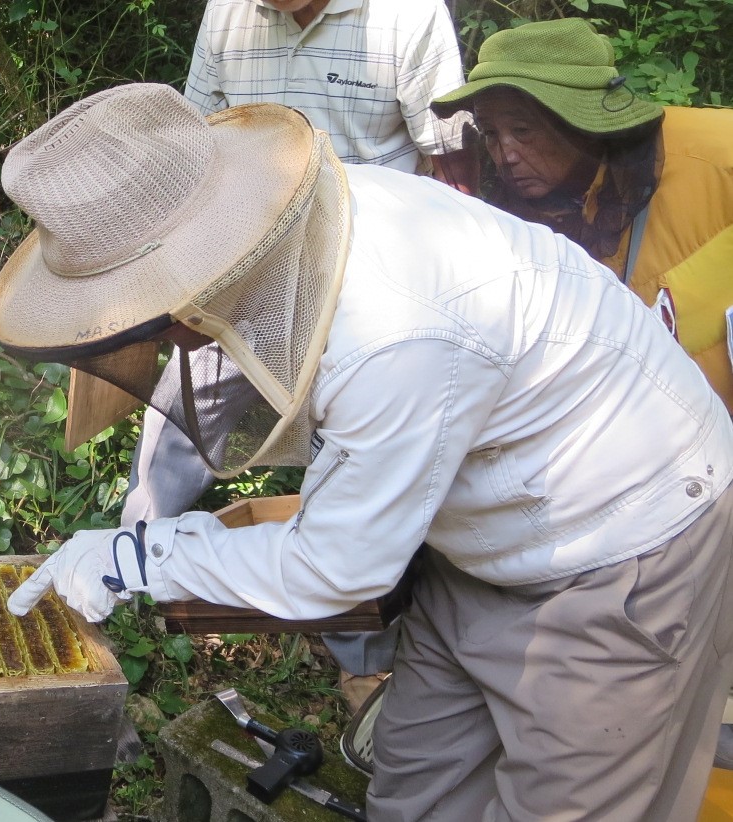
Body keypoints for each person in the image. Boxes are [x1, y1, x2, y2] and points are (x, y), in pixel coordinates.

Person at [0, 82, 733, 821]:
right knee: (413, 791)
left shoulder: (393, 327)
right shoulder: (297, 231)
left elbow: (336, 567)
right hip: (479, 538)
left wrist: (142, 556)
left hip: (623, 542)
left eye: (147, 310)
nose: (154, 338)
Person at [126, 0, 478, 711]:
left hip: (363, 293)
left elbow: (453, 167)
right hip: (245, 276)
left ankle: (366, 664)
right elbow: (198, 147)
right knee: (177, 418)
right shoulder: (230, 13)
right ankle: (127, 571)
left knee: (347, 468)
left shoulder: (408, 16)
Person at [427, 15, 733, 771]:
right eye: (491, 133)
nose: (506, 154)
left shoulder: (714, 154)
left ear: (582, 118)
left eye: (524, 130)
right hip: (651, 492)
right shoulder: (547, 209)